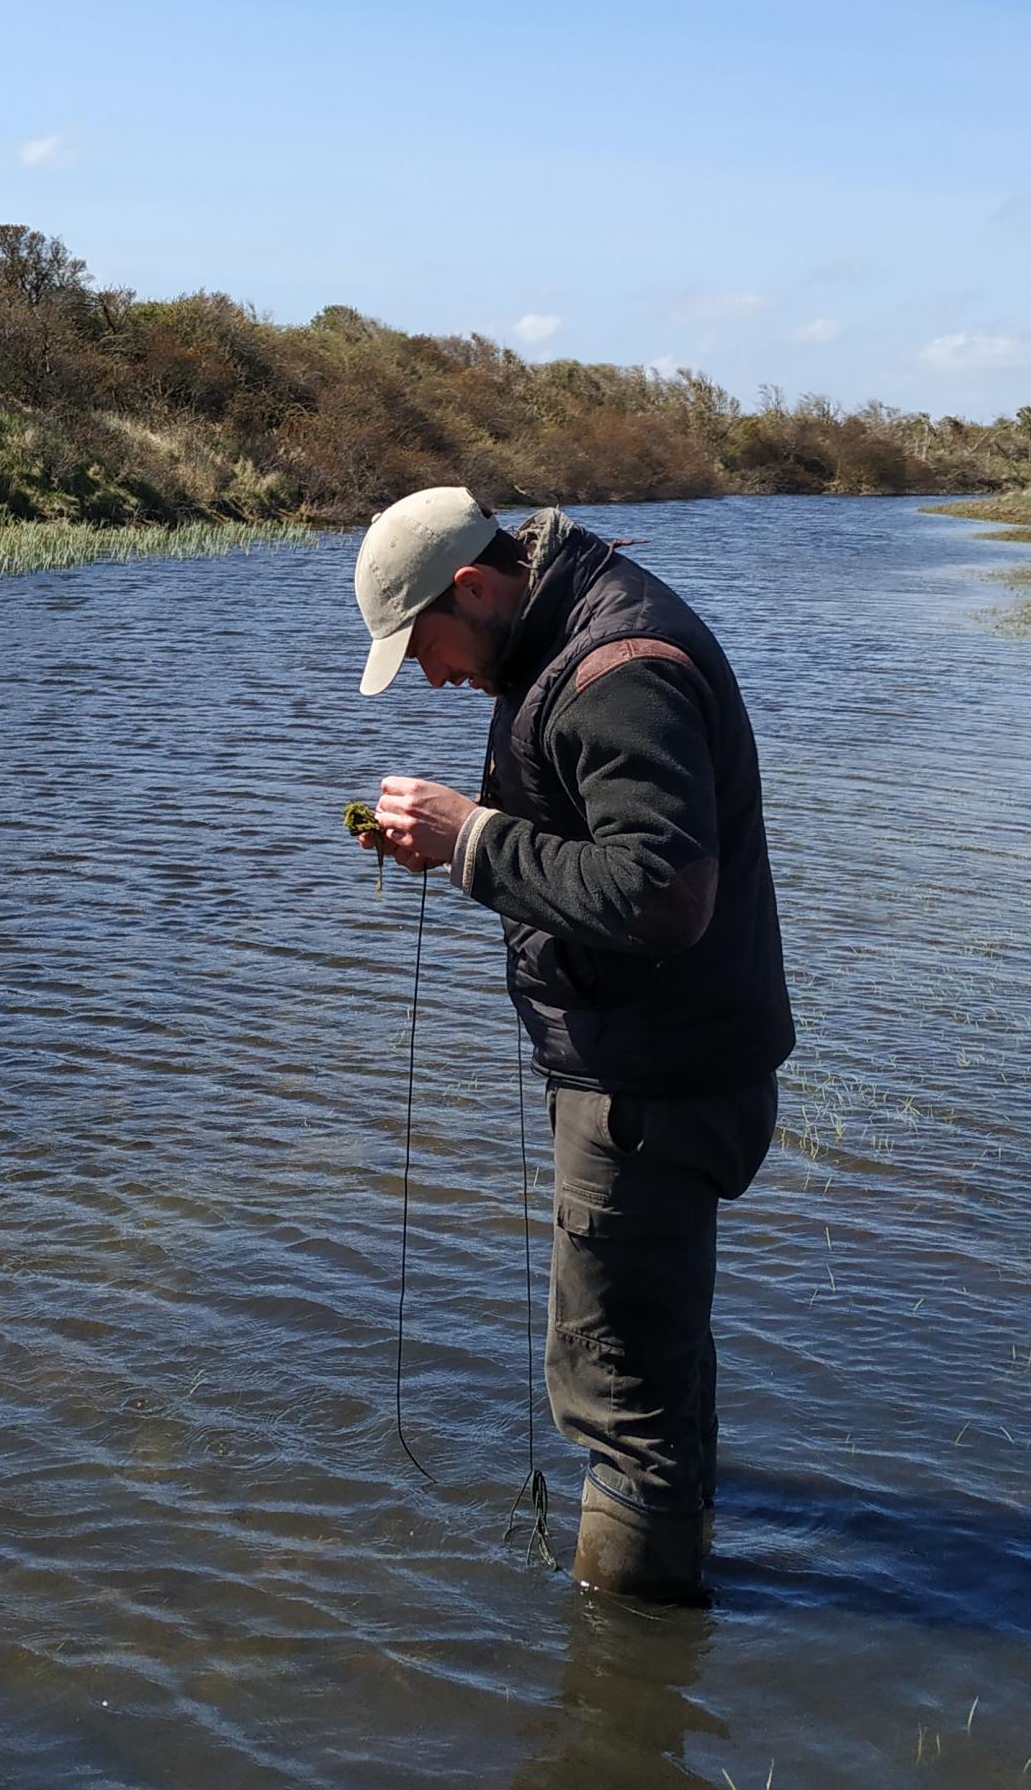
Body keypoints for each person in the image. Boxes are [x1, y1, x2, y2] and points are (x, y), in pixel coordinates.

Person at [349, 486, 795, 1604]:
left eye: (427, 647)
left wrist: (476, 840)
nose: (433, 677)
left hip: (651, 1089)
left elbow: (662, 892)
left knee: (620, 1405)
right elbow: (603, 853)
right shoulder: (563, 634)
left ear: (476, 587)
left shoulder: (617, 668)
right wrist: (476, 848)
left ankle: (623, 1680)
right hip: (665, 1063)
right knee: (656, 1364)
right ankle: (679, 1601)